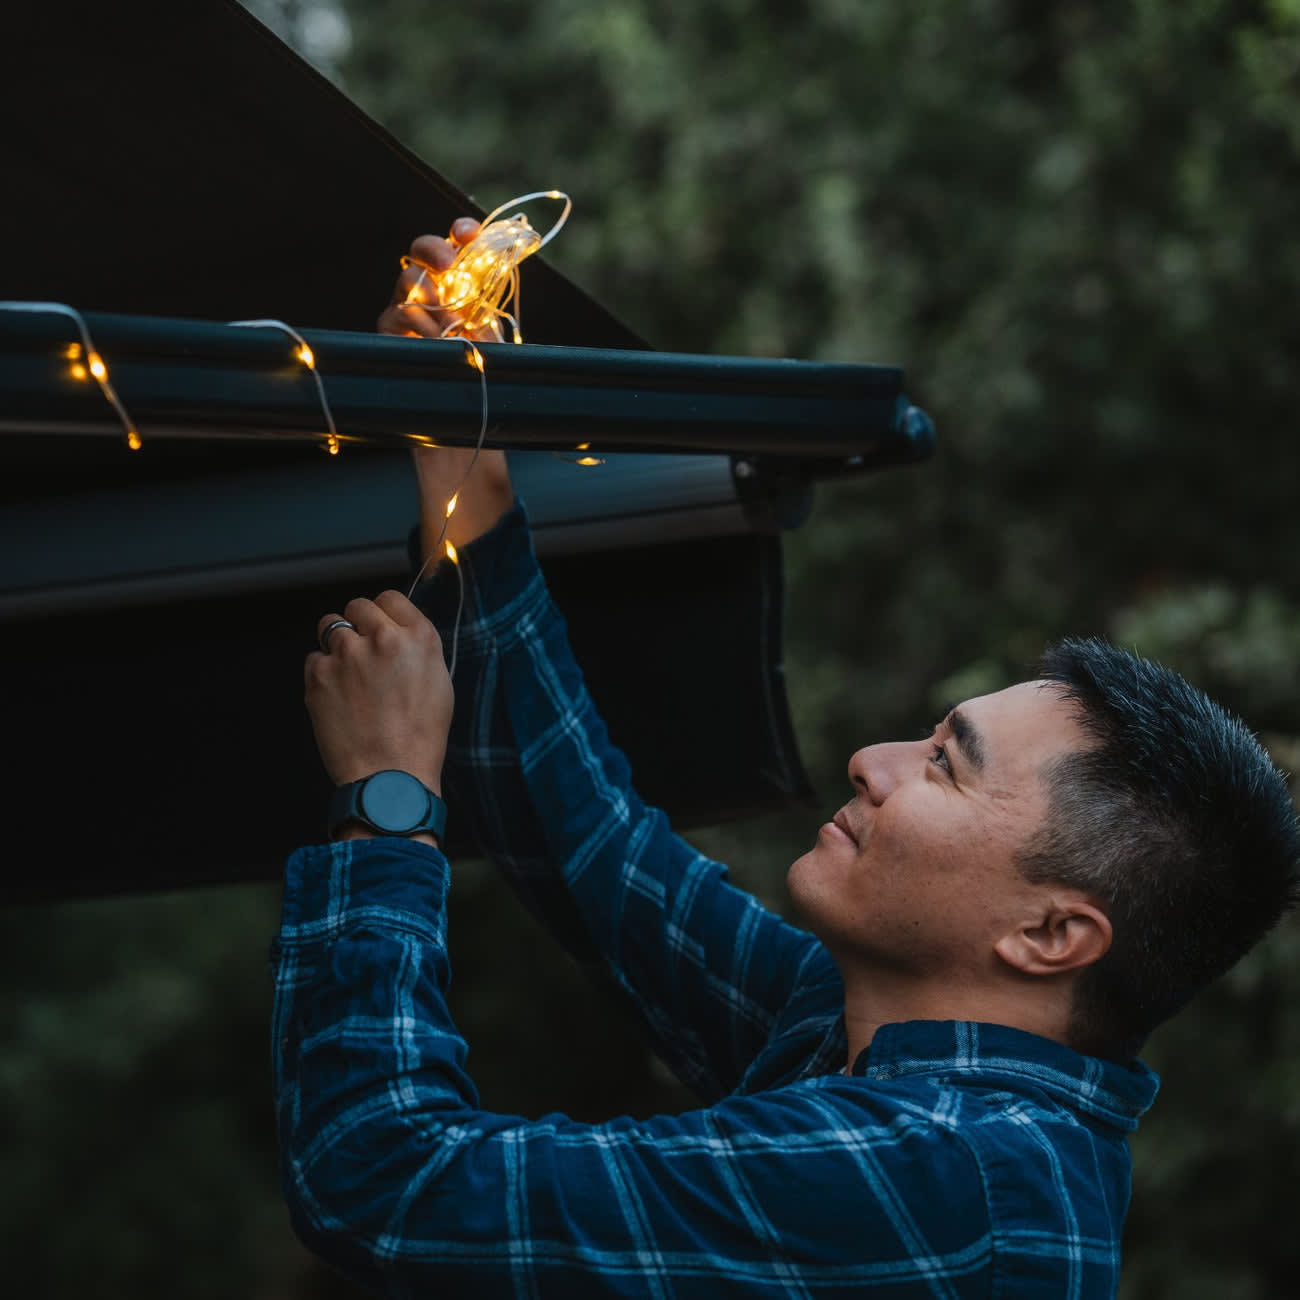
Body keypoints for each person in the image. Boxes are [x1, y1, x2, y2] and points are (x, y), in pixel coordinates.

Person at [270, 225, 1300, 1298]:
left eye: (946, 767)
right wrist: (464, 473)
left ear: (1048, 933)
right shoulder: (857, 1035)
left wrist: (386, 806)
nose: (870, 760)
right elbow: (590, 848)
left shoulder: (937, 1174)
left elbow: (387, 1181)